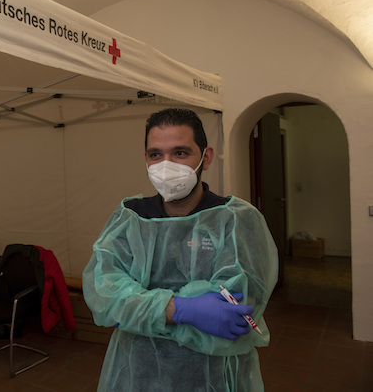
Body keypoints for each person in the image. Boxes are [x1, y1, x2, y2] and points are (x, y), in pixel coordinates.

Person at [82, 108, 278, 391]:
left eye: (180, 153)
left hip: (213, 375)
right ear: (146, 159)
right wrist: (183, 309)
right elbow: (105, 295)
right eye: (155, 155)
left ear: (205, 158)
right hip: (136, 372)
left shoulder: (234, 219)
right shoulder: (130, 217)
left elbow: (233, 316)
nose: (166, 165)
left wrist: (140, 308)